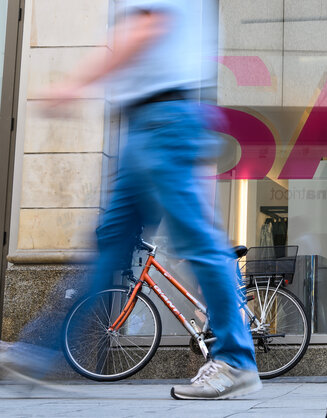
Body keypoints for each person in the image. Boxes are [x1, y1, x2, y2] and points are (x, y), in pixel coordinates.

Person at [0, 0, 261, 400]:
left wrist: (75, 85)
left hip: (165, 120)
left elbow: (146, 27)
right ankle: (38, 351)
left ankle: (236, 359)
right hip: (145, 124)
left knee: (197, 241)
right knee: (111, 246)